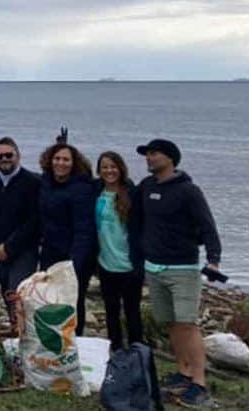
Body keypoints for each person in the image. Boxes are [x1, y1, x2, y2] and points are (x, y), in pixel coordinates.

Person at [137, 138, 221, 408]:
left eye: (154, 154)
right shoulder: (147, 186)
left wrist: (213, 260)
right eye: (147, 154)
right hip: (154, 267)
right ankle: (183, 373)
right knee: (171, 323)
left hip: (183, 268)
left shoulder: (188, 191)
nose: (149, 158)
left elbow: (208, 226)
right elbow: (126, 204)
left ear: (171, 158)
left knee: (187, 324)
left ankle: (199, 383)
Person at [0, 137, 41, 335]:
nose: (4, 159)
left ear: (18, 155)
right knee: (6, 290)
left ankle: (26, 332)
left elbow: (35, 220)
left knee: (18, 291)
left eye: (8, 155)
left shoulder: (33, 182)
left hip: (24, 249)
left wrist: (9, 247)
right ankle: (16, 328)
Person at [37, 140, 97, 337]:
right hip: (50, 250)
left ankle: (75, 340)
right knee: (49, 298)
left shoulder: (81, 188)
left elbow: (84, 230)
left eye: (65, 159)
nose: (60, 163)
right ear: (49, 160)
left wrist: (74, 263)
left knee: (72, 300)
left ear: (74, 163)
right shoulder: (46, 182)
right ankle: (54, 338)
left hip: (75, 255)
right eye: (57, 158)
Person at [94, 151, 145, 352]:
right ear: (99, 171)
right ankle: (115, 350)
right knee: (111, 311)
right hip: (105, 263)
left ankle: (137, 352)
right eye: (105, 167)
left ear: (121, 168)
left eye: (113, 166)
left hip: (129, 264)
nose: (109, 171)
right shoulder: (95, 192)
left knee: (132, 311)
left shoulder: (132, 193)